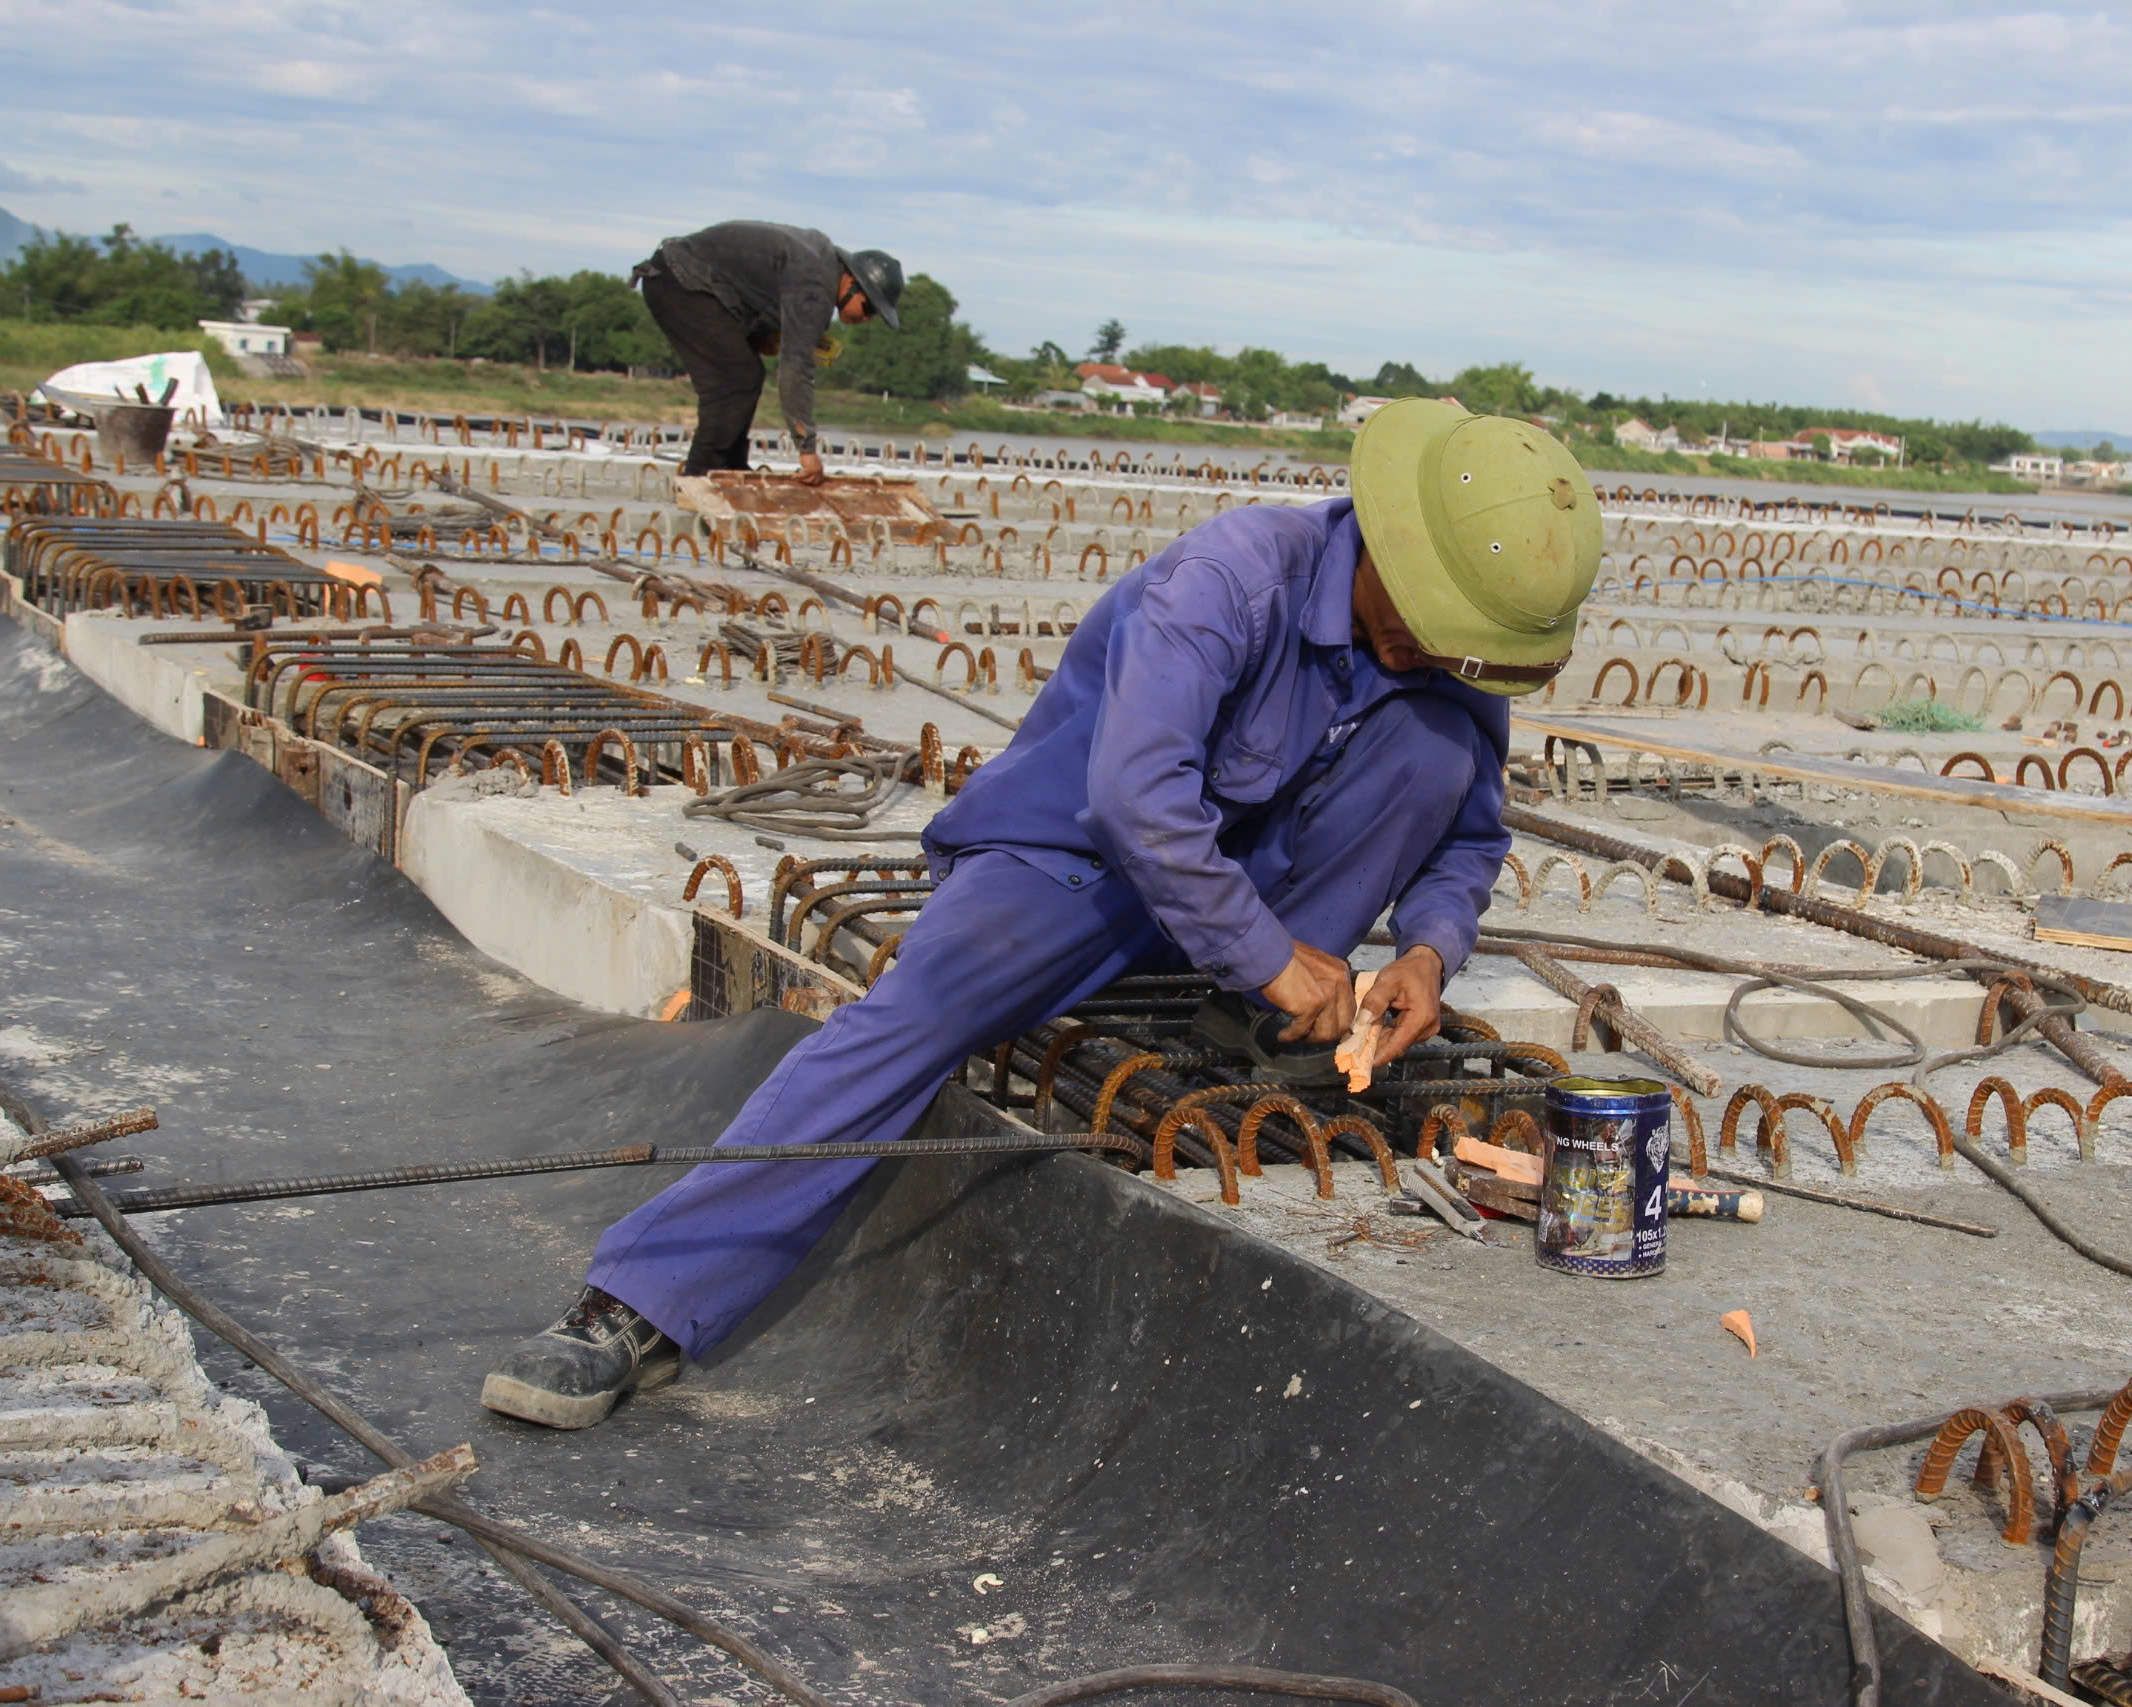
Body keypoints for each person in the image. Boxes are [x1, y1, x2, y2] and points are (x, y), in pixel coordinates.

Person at [480, 399, 1604, 1429]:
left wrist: (1424, 950)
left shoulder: (1453, 658)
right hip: (1075, 862)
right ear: (1389, 544)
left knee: (1429, 745)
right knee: (912, 1018)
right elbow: (1136, 799)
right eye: (1426, 625)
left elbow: (1467, 834)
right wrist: (1270, 955)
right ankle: (640, 1304)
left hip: (1247, 900)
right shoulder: (1230, 579)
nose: (1431, 651)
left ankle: (1260, 1007)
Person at [631, 221, 903, 484]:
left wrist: (765, 336)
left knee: (746, 374)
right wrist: (806, 449)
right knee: (734, 379)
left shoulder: (819, 262)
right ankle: (701, 475)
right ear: (852, 283)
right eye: (869, 308)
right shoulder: (817, 288)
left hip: (690, 281)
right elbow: (796, 370)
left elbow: (750, 287)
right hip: (679, 280)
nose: (867, 319)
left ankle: (730, 467)